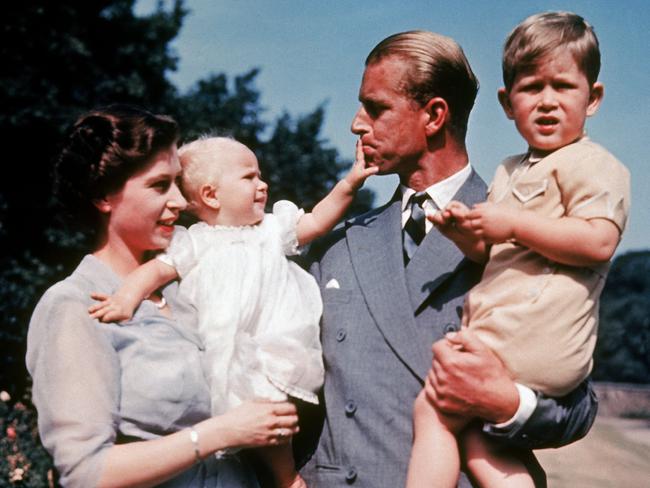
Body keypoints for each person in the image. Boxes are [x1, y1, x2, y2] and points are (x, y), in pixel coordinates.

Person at [297, 30, 599, 488]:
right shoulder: (337, 244)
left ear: (434, 115)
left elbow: (578, 406)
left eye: (375, 108)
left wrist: (505, 403)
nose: (357, 125)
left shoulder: (528, 232)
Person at [26, 105, 302, 487]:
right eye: (159, 186)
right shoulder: (73, 306)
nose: (180, 200)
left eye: (178, 182)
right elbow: (87, 472)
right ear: (104, 196)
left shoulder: (192, 287)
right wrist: (221, 433)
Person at [409, 12, 630, 488]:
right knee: (477, 439)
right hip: (508, 332)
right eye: (532, 88)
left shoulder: (594, 164)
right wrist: (465, 233)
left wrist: (511, 221)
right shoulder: (511, 169)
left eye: (563, 87)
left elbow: (599, 240)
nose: (547, 102)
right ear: (508, 104)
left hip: (536, 338)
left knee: (432, 409)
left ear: (592, 98)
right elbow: (491, 255)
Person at [88, 135, 376, 487]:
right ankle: (267, 473)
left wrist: (349, 183)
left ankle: (285, 475)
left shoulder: (270, 229)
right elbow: (155, 272)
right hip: (223, 344)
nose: (263, 183)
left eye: (260, 175)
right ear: (211, 195)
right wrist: (126, 297)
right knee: (242, 408)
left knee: (272, 407)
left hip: (274, 340)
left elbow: (316, 221)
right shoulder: (195, 241)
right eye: (249, 177)